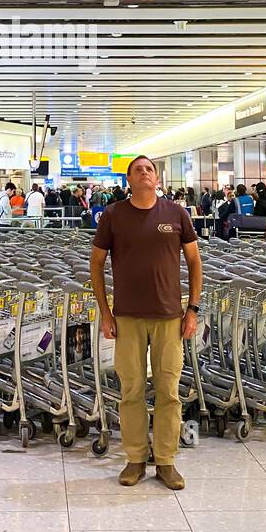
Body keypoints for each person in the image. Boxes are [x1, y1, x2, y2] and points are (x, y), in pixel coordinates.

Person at [91, 155, 203, 491]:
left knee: (169, 390)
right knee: (131, 390)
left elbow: (195, 262)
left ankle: (166, 461)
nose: (144, 172)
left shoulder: (176, 214)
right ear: (128, 180)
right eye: (137, 169)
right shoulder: (113, 215)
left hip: (170, 317)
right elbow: (96, 264)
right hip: (127, 317)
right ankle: (136, 458)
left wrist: (193, 309)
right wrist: (105, 313)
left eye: (149, 169)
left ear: (157, 178)